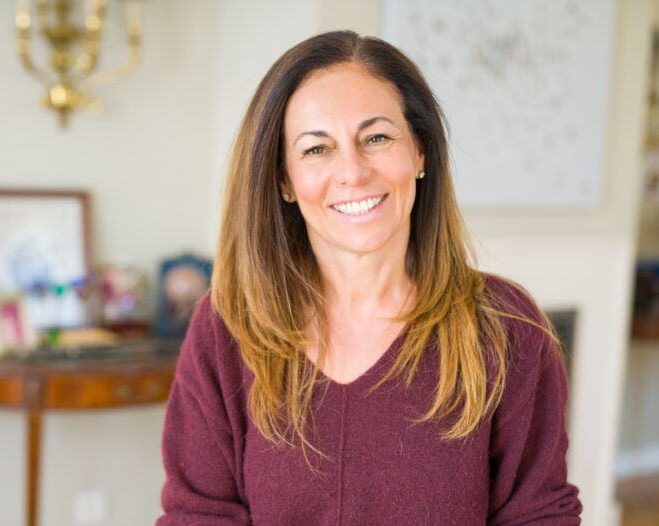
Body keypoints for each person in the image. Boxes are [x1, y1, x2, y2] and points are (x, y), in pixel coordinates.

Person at [157, 30, 582, 525]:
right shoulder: (226, 326)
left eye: (376, 138)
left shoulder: (506, 327)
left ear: (420, 152)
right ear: (284, 180)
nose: (353, 172)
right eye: (317, 149)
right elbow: (197, 515)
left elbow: (538, 515)